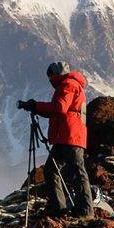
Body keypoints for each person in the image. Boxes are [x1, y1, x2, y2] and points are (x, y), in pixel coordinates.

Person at [18, 60, 93, 217]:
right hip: (65, 137)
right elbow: (59, 109)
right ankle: (58, 208)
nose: (50, 81)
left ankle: (85, 211)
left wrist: (36, 106)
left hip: (70, 136)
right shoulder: (67, 85)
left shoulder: (68, 84)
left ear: (56, 75)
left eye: (50, 77)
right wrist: (35, 107)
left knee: (77, 172)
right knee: (51, 170)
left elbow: (60, 107)